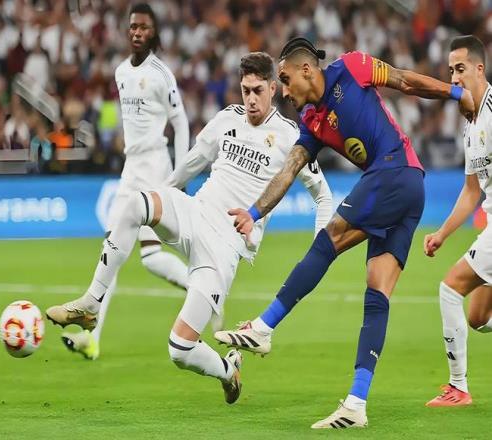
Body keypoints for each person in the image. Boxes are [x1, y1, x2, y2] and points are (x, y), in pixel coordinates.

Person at [214, 37, 476, 428]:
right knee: (377, 293)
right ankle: (356, 404)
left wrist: (457, 93)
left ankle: (264, 327)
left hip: (395, 171)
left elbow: (405, 81)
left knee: (329, 240)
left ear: (306, 70)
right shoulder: (312, 121)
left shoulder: (352, 67)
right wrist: (253, 213)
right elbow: (288, 170)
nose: (283, 91)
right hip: (408, 191)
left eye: (284, 80)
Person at [46, 51, 333, 404]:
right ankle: (92, 303)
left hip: (224, 248)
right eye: (245, 90)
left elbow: (323, 196)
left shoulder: (290, 136)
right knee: (135, 204)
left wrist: (320, 250)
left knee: (179, 349)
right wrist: (164, 194)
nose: (251, 99)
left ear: (273, 88)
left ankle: (228, 371)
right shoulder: (227, 118)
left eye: (258, 90)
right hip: (196, 211)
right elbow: (193, 162)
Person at [60, 3, 189, 360]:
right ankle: (91, 339)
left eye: (144, 27)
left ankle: (204, 291)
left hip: (157, 168)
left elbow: (180, 123)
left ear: (153, 32)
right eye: (133, 26)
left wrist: (180, 175)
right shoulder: (120, 72)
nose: (137, 32)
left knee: (153, 255)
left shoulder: (161, 73)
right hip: (131, 170)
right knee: (113, 252)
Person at [424, 35, 492, 407]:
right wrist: (442, 234)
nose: (454, 78)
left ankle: (458, 387)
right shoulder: (471, 125)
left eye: (461, 69)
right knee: (479, 318)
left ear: (480, 69)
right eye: (451, 70)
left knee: (449, 289)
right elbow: (471, 191)